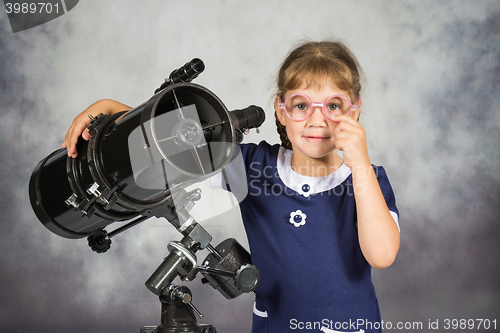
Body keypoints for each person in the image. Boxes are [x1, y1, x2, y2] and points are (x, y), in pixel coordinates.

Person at [63, 40, 399, 333]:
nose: (317, 119)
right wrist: (108, 108)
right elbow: (178, 140)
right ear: (281, 110)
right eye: (301, 105)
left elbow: (382, 255)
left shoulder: (369, 178)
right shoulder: (254, 166)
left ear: (354, 110)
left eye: (333, 106)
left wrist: (360, 164)